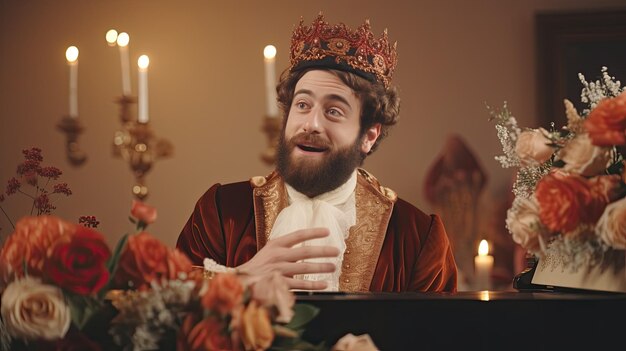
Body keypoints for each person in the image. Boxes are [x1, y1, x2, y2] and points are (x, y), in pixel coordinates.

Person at [177, 13, 457, 292]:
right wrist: (237, 282)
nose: (311, 124)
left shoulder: (418, 239)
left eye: (333, 111)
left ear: (369, 135)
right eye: (302, 105)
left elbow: (440, 335)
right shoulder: (220, 213)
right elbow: (161, 314)